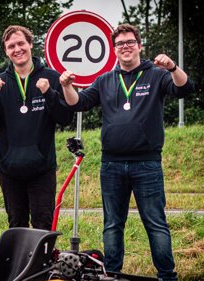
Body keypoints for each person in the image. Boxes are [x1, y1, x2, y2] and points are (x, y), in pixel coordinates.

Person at [59, 24, 195, 281]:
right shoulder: (105, 80)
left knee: (155, 224)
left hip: (147, 164)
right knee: (112, 225)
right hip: (111, 165)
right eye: (120, 44)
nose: (125, 47)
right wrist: (67, 85)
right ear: (114, 49)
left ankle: (167, 276)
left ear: (139, 45)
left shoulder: (156, 74)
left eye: (130, 42)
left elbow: (184, 89)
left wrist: (173, 68)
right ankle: (112, 275)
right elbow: (79, 104)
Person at [0, 25, 73, 230]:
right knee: (16, 224)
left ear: (31, 44)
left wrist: (49, 93)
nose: (17, 49)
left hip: (41, 167)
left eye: (21, 43)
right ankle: (20, 263)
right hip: (9, 168)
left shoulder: (51, 77)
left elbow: (64, 117)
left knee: (43, 224)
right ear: (6, 51)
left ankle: (43, 263)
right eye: (11, 46)